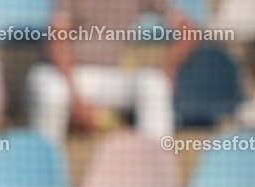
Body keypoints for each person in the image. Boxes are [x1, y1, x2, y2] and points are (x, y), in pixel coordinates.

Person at [27, 0, 198, 142]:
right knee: (51, 90)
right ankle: (44, 159)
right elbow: (56, 41)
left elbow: (188, 32)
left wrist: (167, 69)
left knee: (155, 84)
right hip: (64, 74)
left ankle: (154, 163)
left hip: (112, 78)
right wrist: (77, 101)